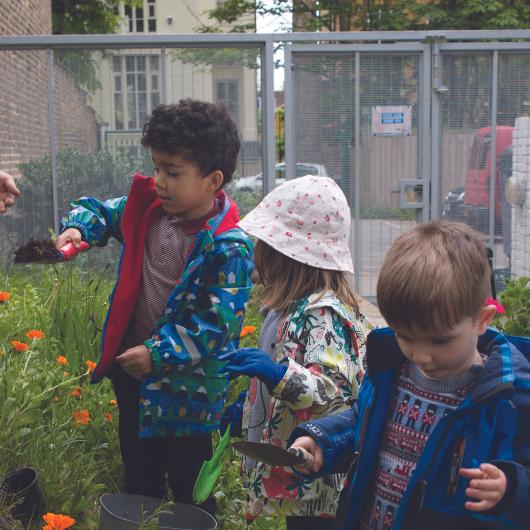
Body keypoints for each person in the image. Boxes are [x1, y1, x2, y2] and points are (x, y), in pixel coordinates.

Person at [55, 100, 254, 515]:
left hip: (191, 393)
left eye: (172, 172)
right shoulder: (148, 209)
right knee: (139, 475)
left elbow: (215, 324)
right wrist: (78, 227)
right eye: (157, 167)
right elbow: (99, 210)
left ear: (211, 181)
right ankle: (137, 513)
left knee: (190, 489)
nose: (159, 180)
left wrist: (158, 353)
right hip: (134, 378)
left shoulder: (229, 247)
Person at [289, 221, 530, 530]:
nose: (420, 355)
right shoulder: (393, 370)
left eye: (439, 341)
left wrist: (512, 488)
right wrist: (324, 440)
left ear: (482, 320)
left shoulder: (506, 397)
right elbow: (364, 421)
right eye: (405, 336)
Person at [219, 175, 370, 530]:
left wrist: (275, 375)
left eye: (264, 243)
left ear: (288, 256)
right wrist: (249, 406)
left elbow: (332, 392)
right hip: (295, 468)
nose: (257, 251)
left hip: (315, 474)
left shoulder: (322, 316)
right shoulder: (288, 310)